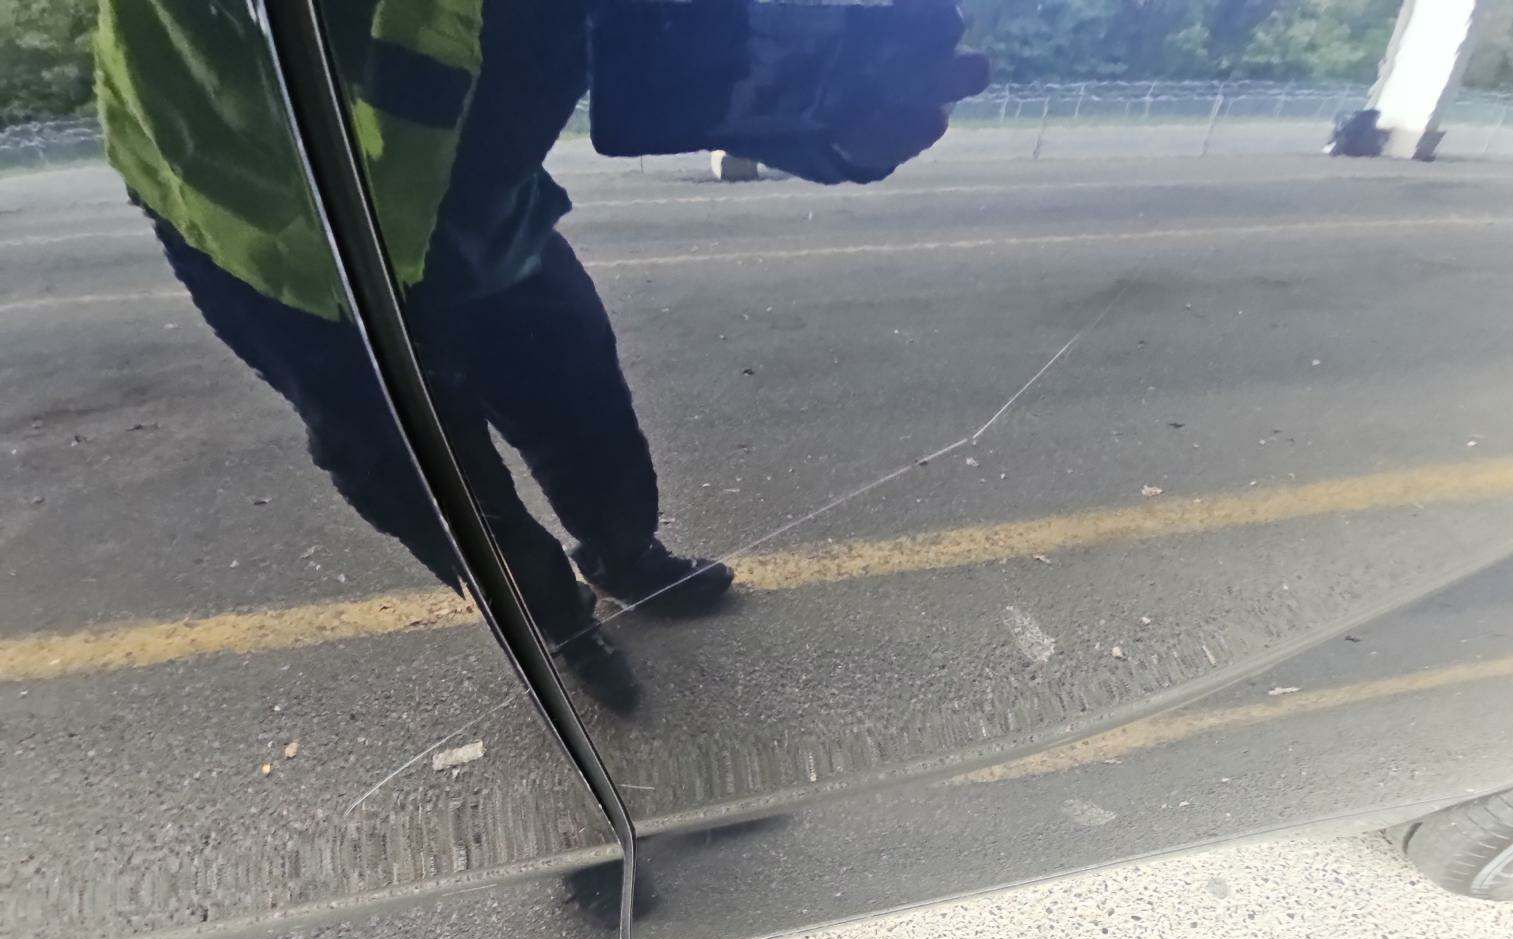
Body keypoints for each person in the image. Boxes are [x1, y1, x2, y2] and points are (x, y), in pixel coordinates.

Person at [97, 0, 986, 710]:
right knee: (412, 466)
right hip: (271, 223)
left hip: (476, 196)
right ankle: (555, 620)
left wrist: (824, 101)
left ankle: (622, 555)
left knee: (581, 398)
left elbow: (677, 50)